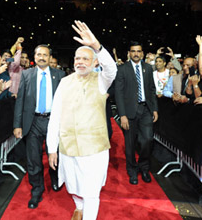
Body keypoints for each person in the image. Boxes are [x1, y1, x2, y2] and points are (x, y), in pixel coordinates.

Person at [47, 20, 117, 220]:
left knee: (91, 191)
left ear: (95, 62)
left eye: (85, 59)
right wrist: (52, 148)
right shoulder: (64, 82)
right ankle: (78, 207)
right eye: (77, 58)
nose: (80, 62)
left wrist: (96, 46)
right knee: (73, 184)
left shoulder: (102, 80)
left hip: (94, 149)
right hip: (68, 147)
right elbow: (55, 116)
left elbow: (112, 69)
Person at [13, 44, 65, 209]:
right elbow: (20, 101)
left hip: (53, 122)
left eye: (45, 55)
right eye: (39, 54)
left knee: (55, 154)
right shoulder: (26, 74)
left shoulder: (60, 75)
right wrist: (17, 124)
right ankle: (37, 189)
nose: (42, 57)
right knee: (33, 159)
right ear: (34, 57)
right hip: (33, 122)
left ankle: (56, 178)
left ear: (50, 58)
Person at [115, 41, 158, 185]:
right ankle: (132, 171)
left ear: (142, 53)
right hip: (129, 112)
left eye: (139, 51)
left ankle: (144, 168)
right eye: (133, 51)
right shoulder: (122, 69)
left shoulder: (148, 68)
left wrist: (155, 109)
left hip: (145, 110)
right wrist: (122, 115)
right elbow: (119, 93)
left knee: (147, 140)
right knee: (130, 144)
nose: (136, 54)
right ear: (129, 53)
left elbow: (152, 89)